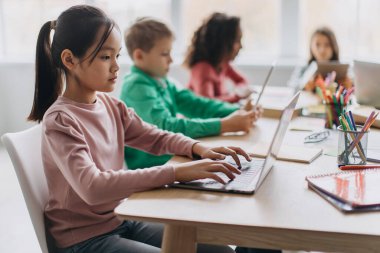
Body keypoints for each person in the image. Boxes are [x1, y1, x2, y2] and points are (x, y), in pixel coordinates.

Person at [28, 5, 256, 253]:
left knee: (220, 251)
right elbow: (92, 188)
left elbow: (154, 136)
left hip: (122, 217)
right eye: (106, 57)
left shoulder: (111, 105)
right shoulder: (60, 120)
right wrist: (177, 173)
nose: (116, 66)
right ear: (70, 60)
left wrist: (198, 148)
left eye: (117, 56)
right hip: (85, 240)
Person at [121, 18, 262, 170]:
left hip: (173, 158)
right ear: (139, 56)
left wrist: (237, 111)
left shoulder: (162, 81)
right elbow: (167, 128)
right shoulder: (136, 86)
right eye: (164, 53)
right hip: (153, 167)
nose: (171, 59)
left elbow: (197, 104)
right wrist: (224, 125)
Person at [183, 12, 254, 103]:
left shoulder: (222, 63)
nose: (241, 47)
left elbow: (242, 81)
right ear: (223, 43)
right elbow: (208, 104)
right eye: (237, 40)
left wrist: (238, 93)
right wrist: (236, 96)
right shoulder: (203, 69)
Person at [290, 26, 353, 92]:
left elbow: (354, 88)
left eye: (327, 45)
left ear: (334, 47)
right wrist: (304, 86)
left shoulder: (343, 70)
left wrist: (348, 86)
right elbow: (293, 88)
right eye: (317, 45)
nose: (322, 50)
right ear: (311, 46)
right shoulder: (304, 67)